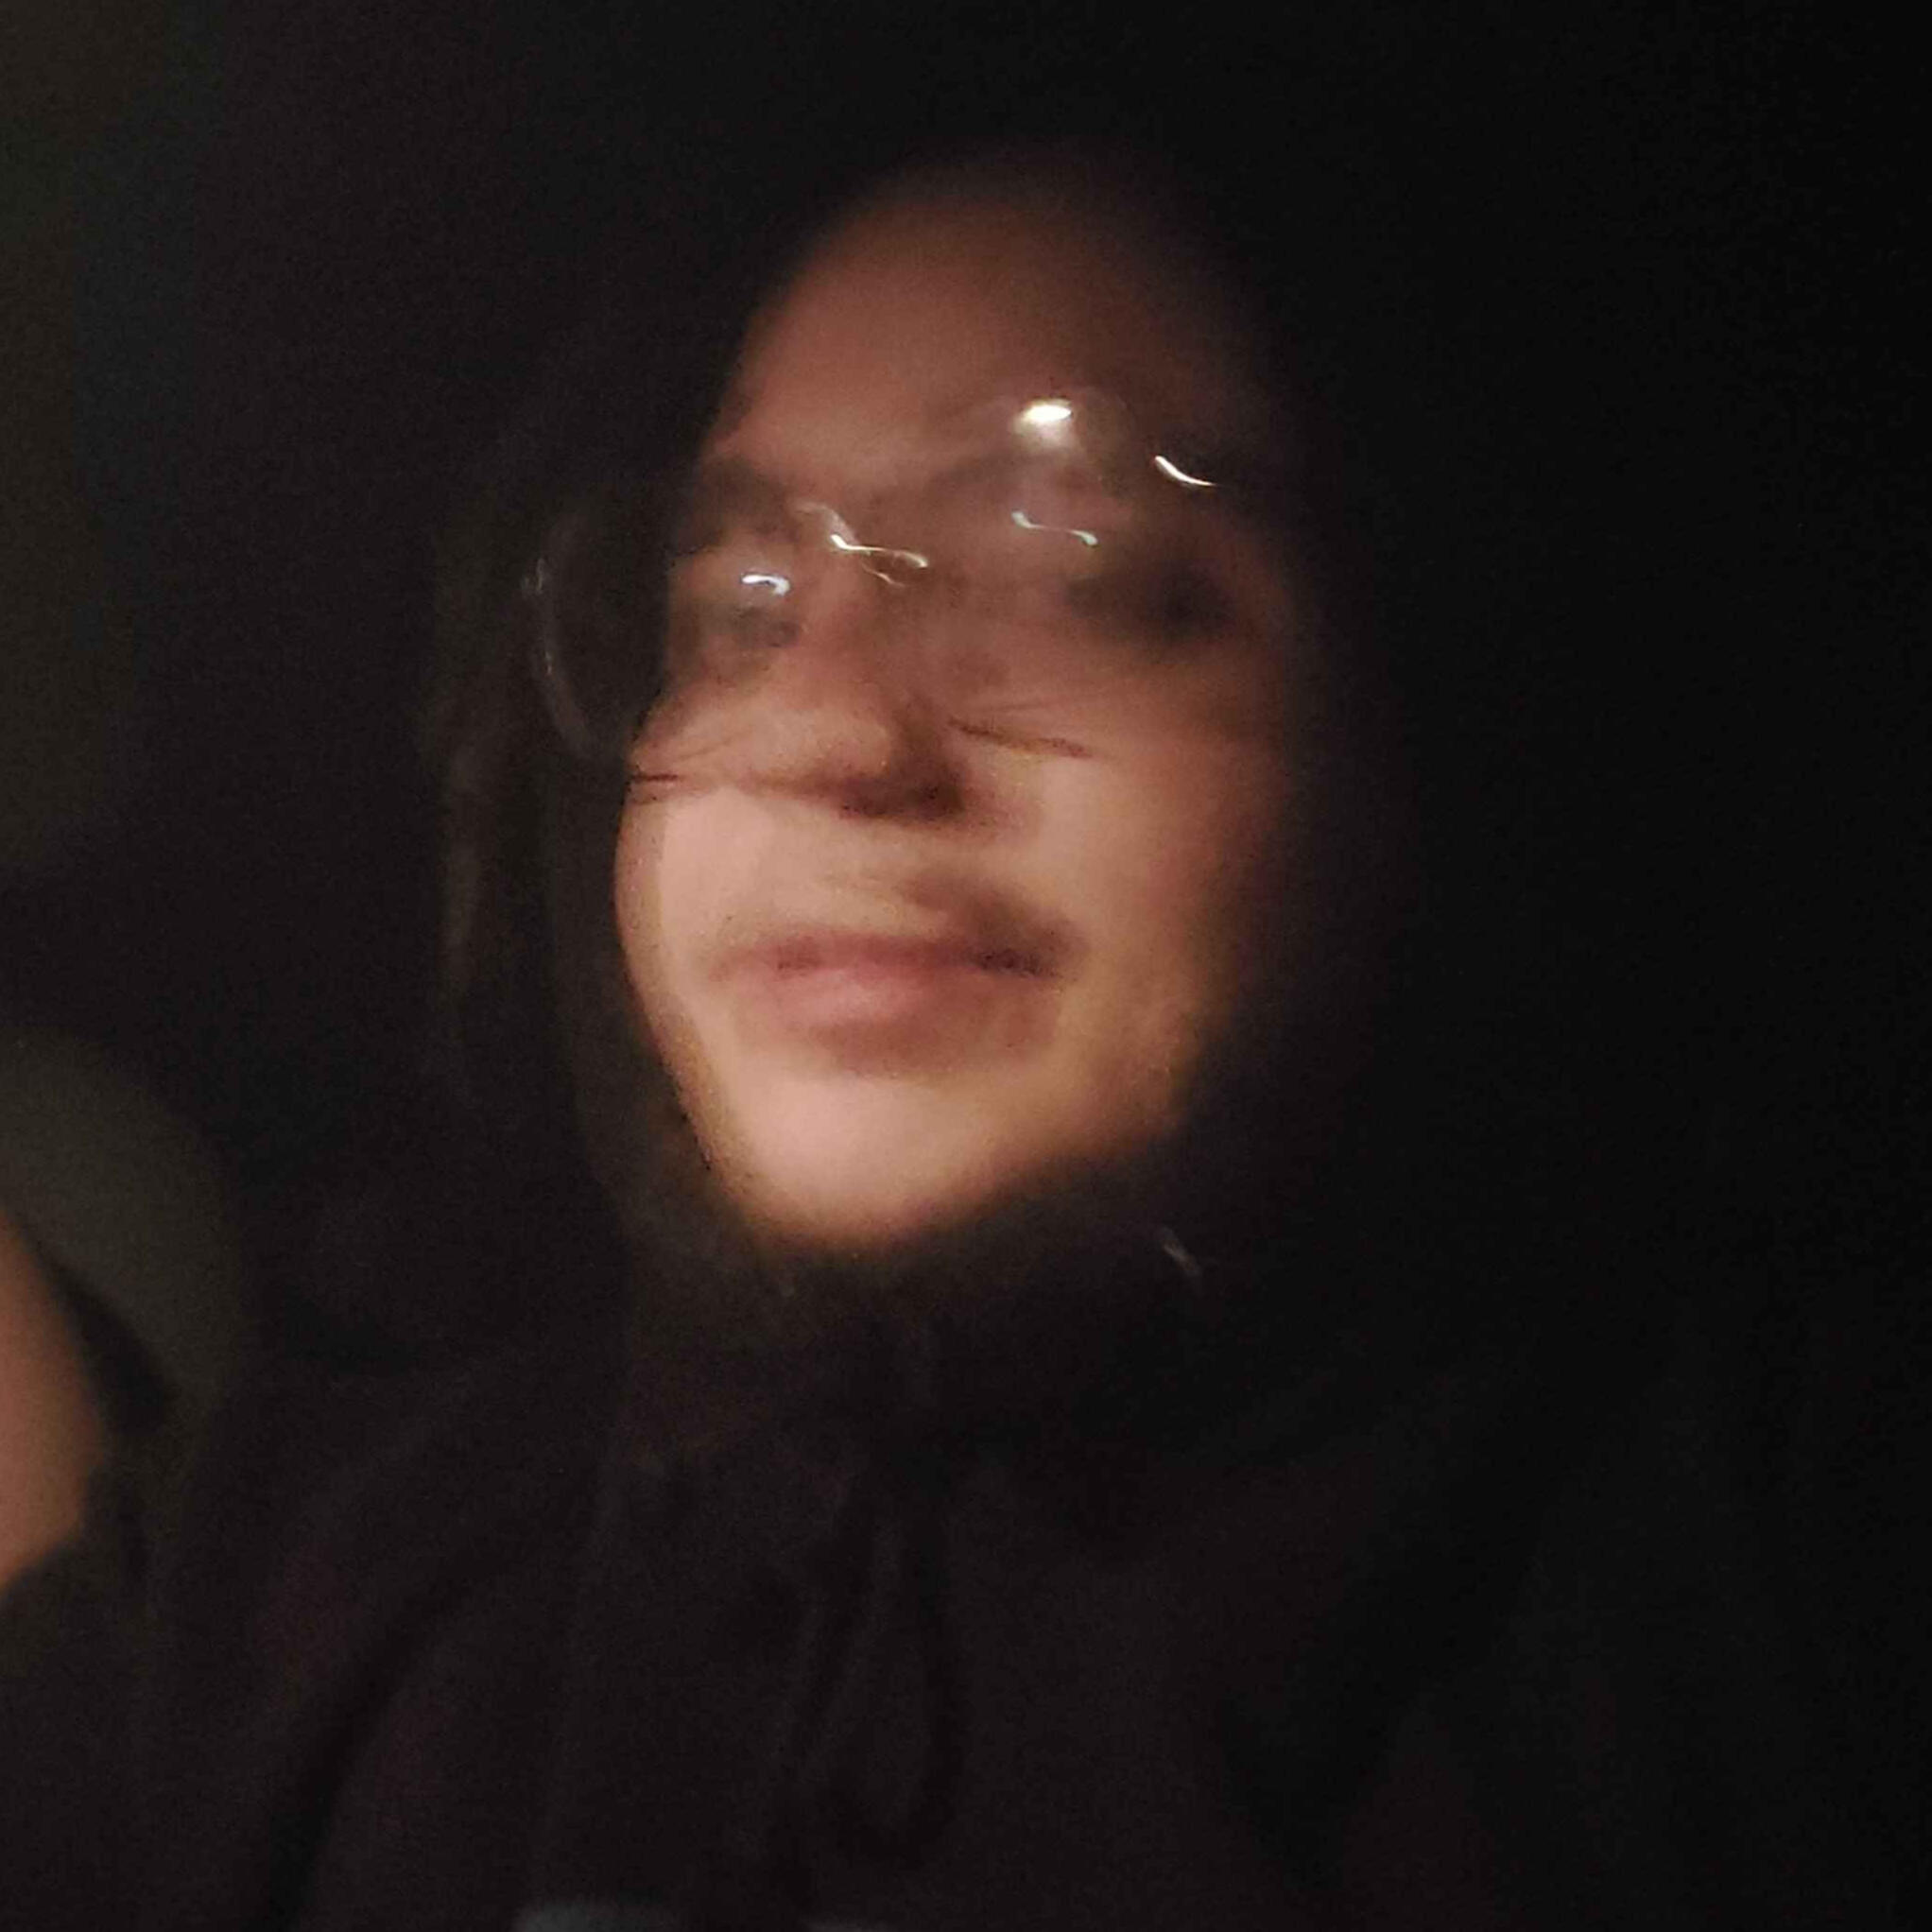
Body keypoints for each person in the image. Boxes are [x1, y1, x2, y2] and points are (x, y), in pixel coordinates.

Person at [33, 140, 1919, 1930]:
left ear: (1427, 725)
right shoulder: (296, 1611)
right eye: (735, 609)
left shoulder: (1760, 1612)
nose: (832, 730)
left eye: (1087, 584)